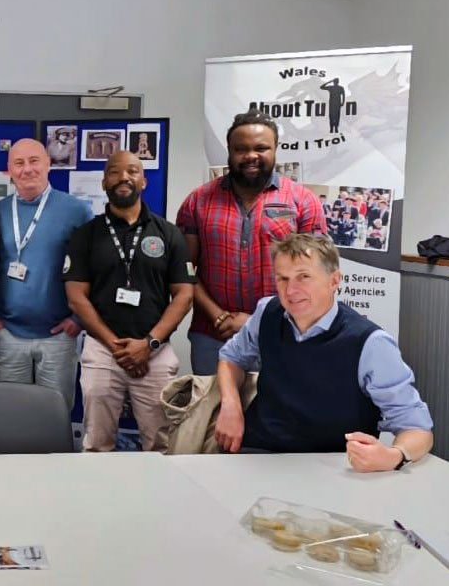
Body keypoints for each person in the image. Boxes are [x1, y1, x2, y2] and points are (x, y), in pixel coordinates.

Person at [215, 233, 433, 471]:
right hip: (259, 453)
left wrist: (394, 455)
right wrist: (231, 405)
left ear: (334, 281)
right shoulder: (267, 312)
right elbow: (231, 358)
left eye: (304, 277)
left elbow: (417, 428)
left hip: (335, 464)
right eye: (282, 279)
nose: (291, 290)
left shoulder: (370, 343)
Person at [176, 109, 327, 375]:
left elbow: (315, 274)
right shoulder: (198, 201)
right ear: (230, 150)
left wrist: (257, 321)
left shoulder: (303, 201)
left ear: (276, 149)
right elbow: (185, 270)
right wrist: (218, 316)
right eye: (241, 149)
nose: (251, 156)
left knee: (279, 415)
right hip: (213, 335)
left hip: (284, 332)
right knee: (214, 414)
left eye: (261, 148)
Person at [64, 151, 195, 451]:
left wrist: (148, 345)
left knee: (161, 445)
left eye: (132, 171)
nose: (124, 177)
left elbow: (184, 295)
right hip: (102, 352)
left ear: (144, 181)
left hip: (155, 352)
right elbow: (76, 298)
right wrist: (117, 348)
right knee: (97, 443)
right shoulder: (86, 235)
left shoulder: (169, 233)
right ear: (104, 182)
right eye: (115, 172)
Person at [0, 139, 92, 410]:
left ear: (49, 164)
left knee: (55, 417)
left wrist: (78, 320)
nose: (27, 169)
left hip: (59, 338)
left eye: (34, 160)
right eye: (19, 163)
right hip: (8, 335)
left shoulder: (77, 211)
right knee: (10, 419)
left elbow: (94, 270)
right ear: (9, 170)